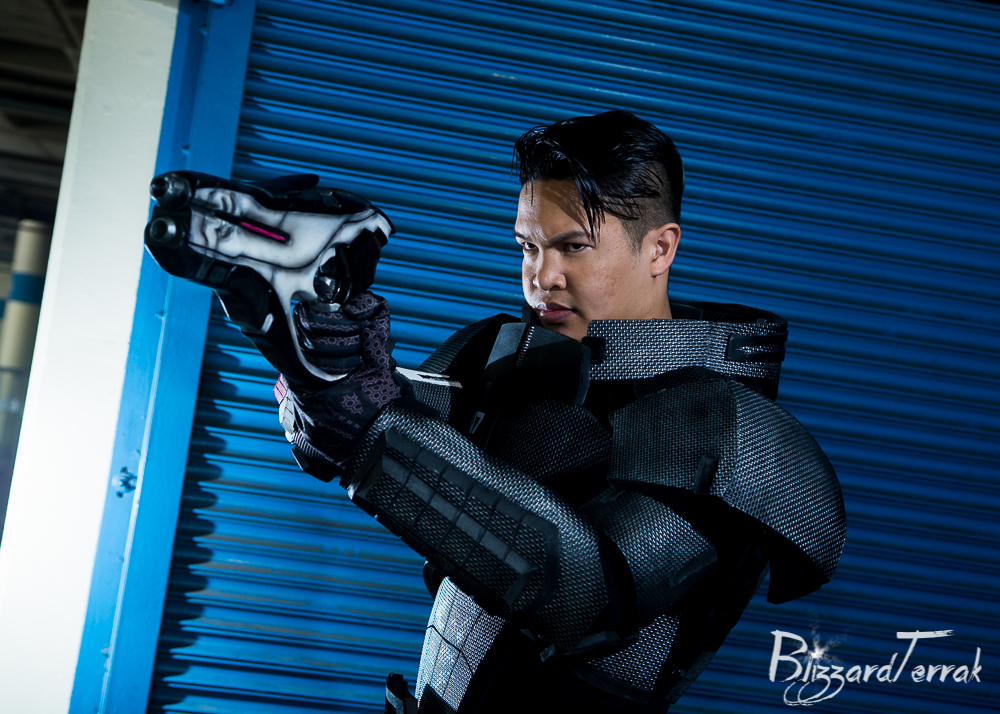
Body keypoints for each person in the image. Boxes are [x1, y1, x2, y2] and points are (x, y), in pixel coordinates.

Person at [146, 110, 846, 714]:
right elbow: (371, 429)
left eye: (573, 247)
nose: (542, 276)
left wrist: (370, 421)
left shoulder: (732, 429)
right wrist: (319, 363)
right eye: (527, 246)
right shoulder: (511, 356)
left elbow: (585, 595)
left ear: (660, 248)